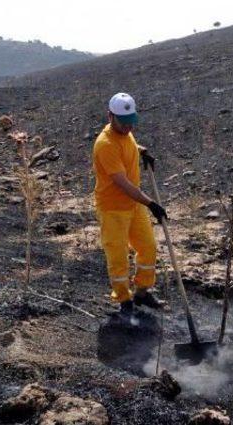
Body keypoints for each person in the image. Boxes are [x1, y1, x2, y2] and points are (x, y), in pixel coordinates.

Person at [92, 92, 168, 317]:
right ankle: (124, 300)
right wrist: (151, 203)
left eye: (130, 123)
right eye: (123, 123)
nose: (127, 128)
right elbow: (123, 184)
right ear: (110, 116)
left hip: (134, 205)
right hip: (113, 208)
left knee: (148, 247)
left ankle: (142, 292)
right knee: (118, 256)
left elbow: (127, 143)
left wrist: (140, 150)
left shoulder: (126, 133)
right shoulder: (104, 144)